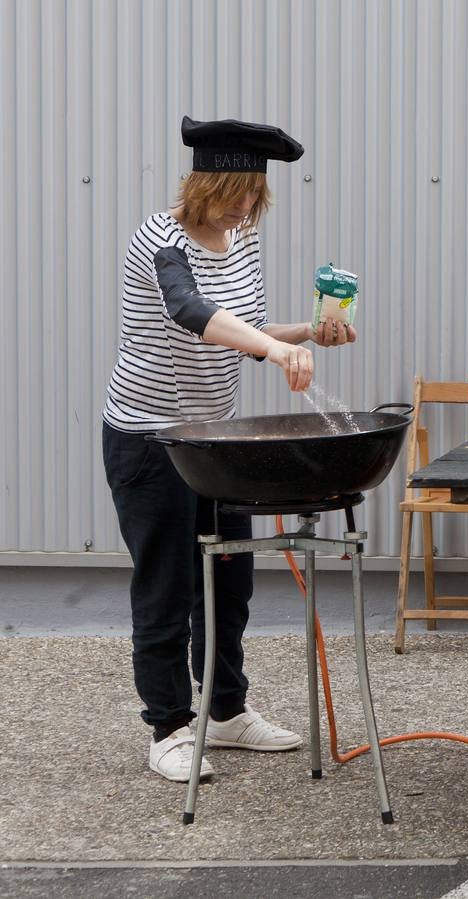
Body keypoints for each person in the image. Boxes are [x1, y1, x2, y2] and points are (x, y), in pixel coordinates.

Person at [101, 117, 357, 781]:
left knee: (229, 581)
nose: (246, 206)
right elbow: (189, 310)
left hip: (218, 439)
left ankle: (224, 713)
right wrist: (275, 351)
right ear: (203, 183)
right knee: (168, 585)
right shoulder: (159, 239)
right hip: (150, 437)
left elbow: (244, 325)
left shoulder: (242, 239)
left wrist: (307, 331)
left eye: (255, 193)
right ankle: (166, 728)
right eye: (235, 192)